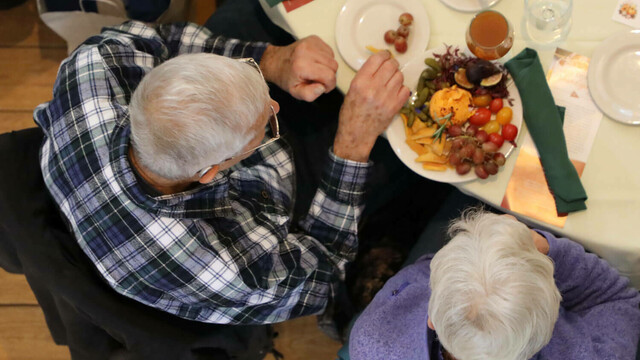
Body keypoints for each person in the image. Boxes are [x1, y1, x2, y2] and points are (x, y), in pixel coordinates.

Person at [34, 18, 411, 327]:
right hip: (255, 231)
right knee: (398, 166)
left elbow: (162, 38)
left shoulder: (98, 61)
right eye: (265, 126)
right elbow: (323, 273)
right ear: (212, 171)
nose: (275, 105)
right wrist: (353, 144)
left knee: (245, 14)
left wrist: (271, 59)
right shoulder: (229, 268)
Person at [347, 209, 640, 360]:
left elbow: (420, 270)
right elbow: (618, 299)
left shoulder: (371, 338)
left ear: (434, 319)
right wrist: (551, 250)